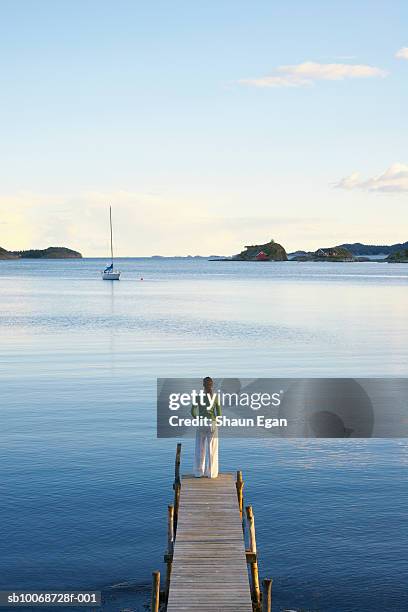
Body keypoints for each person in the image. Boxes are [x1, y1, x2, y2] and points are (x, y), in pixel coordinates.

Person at [191, 377, 221, 478]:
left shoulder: (198, 397)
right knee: (212, 448)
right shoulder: (215, 397)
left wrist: (198, 418)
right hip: (212, 423)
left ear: (203, 385)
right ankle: (211, 473)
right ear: (212, 385)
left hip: (201, 423)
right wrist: (216, 421)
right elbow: (219, 414)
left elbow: (192, 411)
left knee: (199, 448)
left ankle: (198, 472)